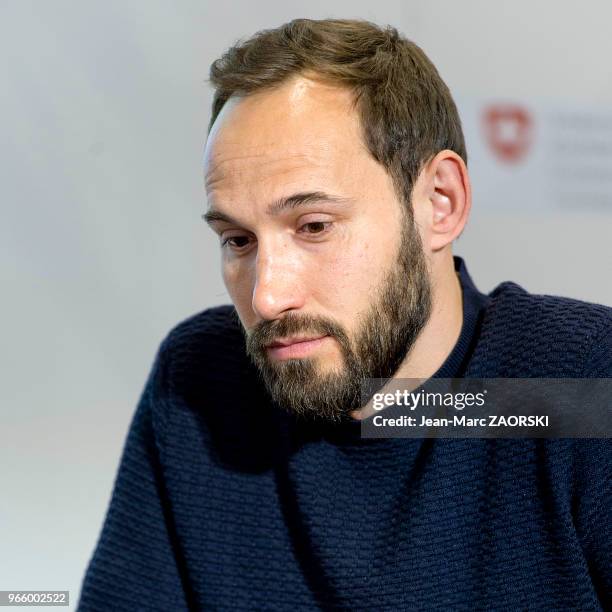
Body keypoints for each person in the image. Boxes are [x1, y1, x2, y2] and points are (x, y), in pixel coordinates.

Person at [78, 18, 611, 611]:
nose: (266, 298)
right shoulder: (202, 384)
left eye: (313, 227)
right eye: (237, 240)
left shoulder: (581, 384)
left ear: (441, 202)